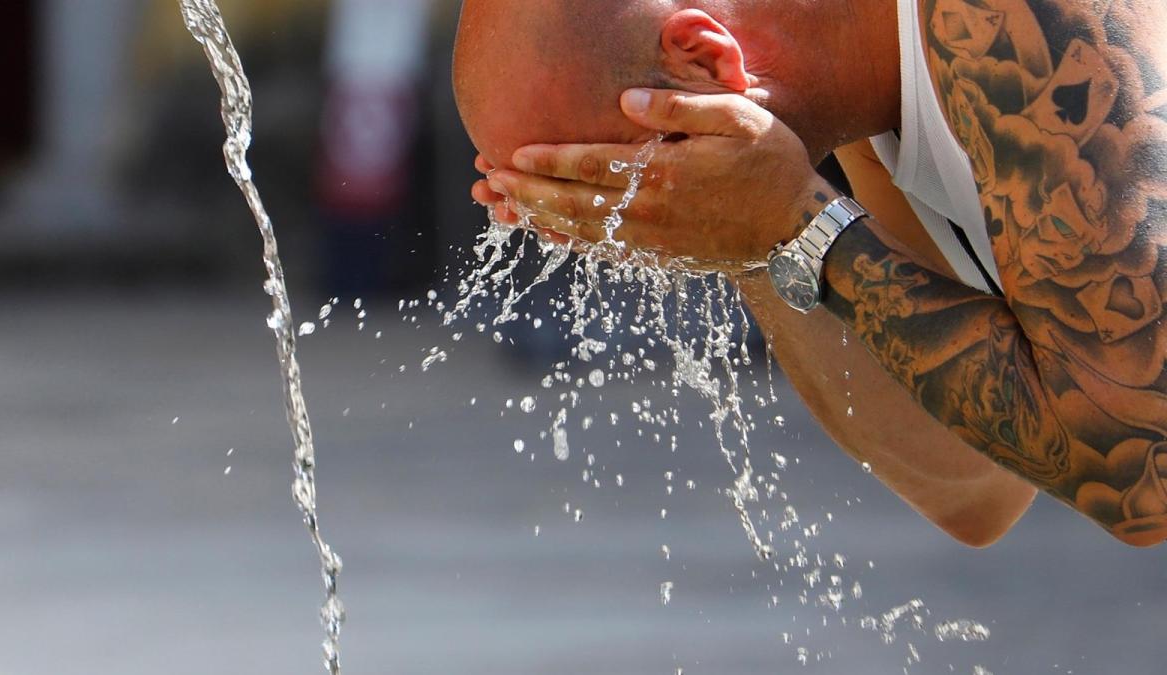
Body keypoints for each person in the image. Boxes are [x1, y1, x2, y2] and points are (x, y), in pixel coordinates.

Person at [452, 0, 1167, 547]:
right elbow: (975, 485)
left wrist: (800, 222)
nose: (619, 236)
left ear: (701, 60)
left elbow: (1142, 476)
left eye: (608, 186)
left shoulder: (1011, 27)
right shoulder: (865, 83)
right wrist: (749, 236)